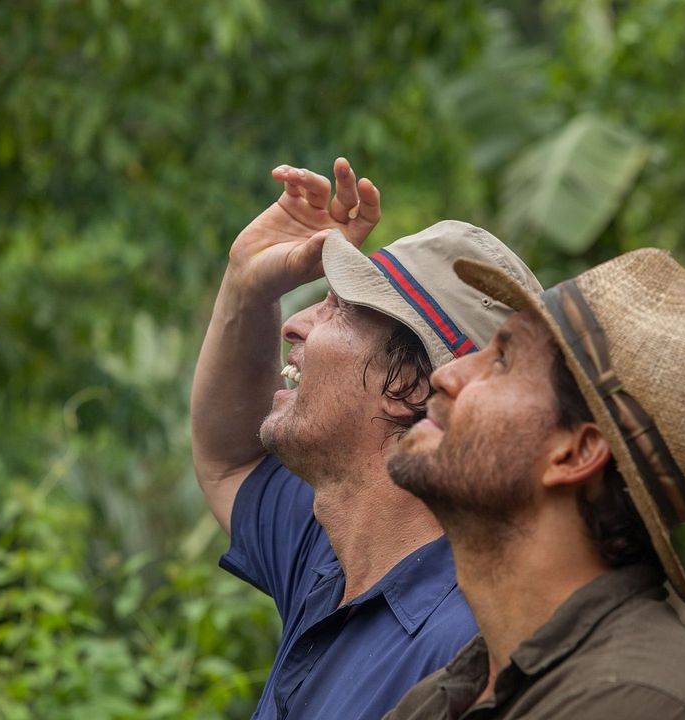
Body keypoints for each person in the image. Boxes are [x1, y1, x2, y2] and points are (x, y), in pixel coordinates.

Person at [190, 158, 542, 720]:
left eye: (338, 307)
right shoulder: (334, 557)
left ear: (411, 385)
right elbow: (229, 460)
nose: (296, 323)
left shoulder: (465, 651)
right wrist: (247, 284)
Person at [383, 248, 685, 720]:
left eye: (502, 360)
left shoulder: (637, 703)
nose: (446, 375)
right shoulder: (446, 695)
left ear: (576, 453)